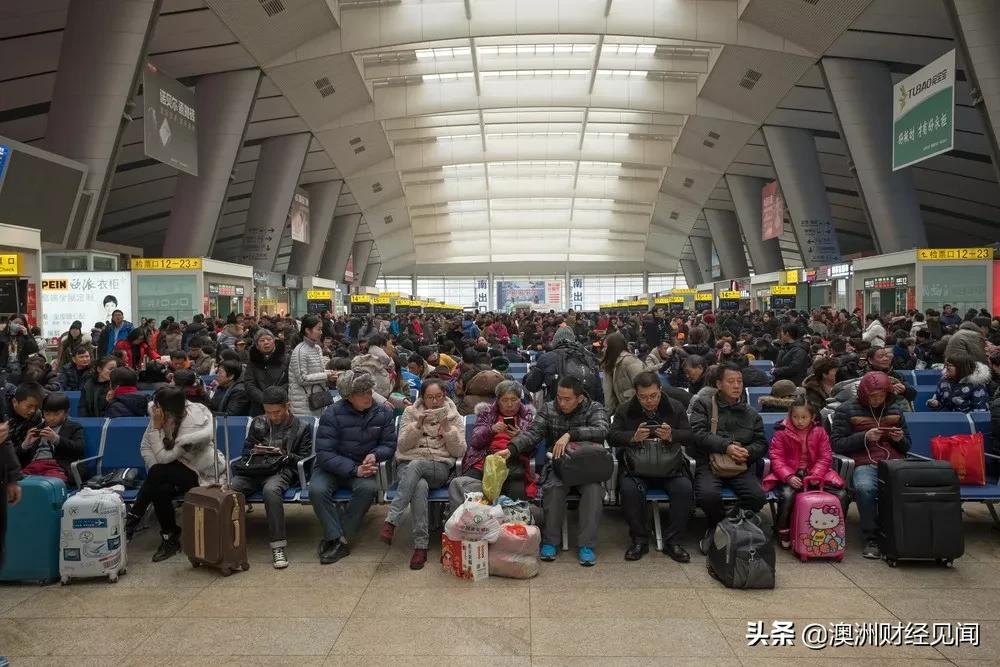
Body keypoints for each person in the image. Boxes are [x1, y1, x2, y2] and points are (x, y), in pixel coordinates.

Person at [507, 375, 609, 566]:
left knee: (593, 491)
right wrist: (511, 449)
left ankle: (586, 545)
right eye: (559, 397)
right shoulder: (549, 408)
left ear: (579, 398)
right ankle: (550, 541)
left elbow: (602, 430)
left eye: (567, 399)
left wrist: (570, 434)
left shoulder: (594, 408)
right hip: (558, 464)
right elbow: (533, 434)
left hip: (588, 466)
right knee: (554, 488)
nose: (561, 402)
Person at [126, 386, 222, 562]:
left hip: (200, 472)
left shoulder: (193, 425)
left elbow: (163, 457)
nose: (154, 409)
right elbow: (146, 447)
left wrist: (156, 428)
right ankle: (169, 538)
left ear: (167, 409)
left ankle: (132, 521)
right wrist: (158, 470)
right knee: (159, 486)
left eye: (158, 406)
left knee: (157, 474)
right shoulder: (160, 414)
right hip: (170, 470)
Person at [309, 371, 396, 564]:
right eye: (361, 393)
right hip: (331, 467)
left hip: (362, 466)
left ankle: (339, 539)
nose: (368, 397)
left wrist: (375, 454)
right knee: (317, 489)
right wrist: (354, 469)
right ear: (348, 396)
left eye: (369, 391)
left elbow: (389, 444)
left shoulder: (383, 412)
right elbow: (324, 453)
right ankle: (336, 538)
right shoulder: (332, 413)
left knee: (367, 489)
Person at [608, 372, 695, 563]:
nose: (650, 401)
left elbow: (689, 435)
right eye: (644, 397)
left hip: (670, 465)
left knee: (684, 488)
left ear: (660, 390)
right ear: (636, 394)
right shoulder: (625, 409)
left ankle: (673, 541)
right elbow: (612, 436)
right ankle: (639, 540)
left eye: (654, 396)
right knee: (630, 490)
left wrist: (672, 435)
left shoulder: (675, 407)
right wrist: (632, 437)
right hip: (636, 466)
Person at [380, 379, 466, 570]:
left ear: (444, 396)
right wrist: (417, 426)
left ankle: (392, 520)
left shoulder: (453, 416)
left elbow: (460, 451)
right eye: (430, 397)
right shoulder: (410, 413)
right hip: (408, 465)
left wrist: (448, 430)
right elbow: (402, 446)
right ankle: (421, 546)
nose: (435, 402)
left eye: (438, 397)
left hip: (438, 466)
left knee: (418, 465)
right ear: (422, 397)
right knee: (419, 486)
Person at [229, 386, 312, 569]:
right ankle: (228, 542)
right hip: (255, 469)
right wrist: (255, 451)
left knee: (271, 491)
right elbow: (245, 452)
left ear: (287, 406)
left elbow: (304, 460)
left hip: (281, 470)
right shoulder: (258, 422)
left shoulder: (301, 427)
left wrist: (284, 455)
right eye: (268, 412)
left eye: (277, 412)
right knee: (232, 488)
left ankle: (278, 546)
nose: (273, 416)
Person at [688, 362, 767, 554]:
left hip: (739, 465)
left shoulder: (751, 413)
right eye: (731, 381)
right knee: (707, 495)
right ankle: (716, 527)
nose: (736, 385)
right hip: (710, 462)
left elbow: (761, 443)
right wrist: (726, 447)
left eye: (739, 381)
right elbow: (697, 434)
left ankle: (727, 526)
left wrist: (748, 452)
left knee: (757, 497)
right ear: (719, 384)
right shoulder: (704, 405)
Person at [831, 371, 911, 559]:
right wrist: (864, 437)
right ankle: (871, 536)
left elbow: (907, 445)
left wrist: (899, 439)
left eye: (881, 396)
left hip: (894, 461)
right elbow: (836, 444)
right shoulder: (846, 410)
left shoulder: (895, 409)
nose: (877, 400)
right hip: (864, 460)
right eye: (873, 396)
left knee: (909, 488)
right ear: (864, 394)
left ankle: (901, 533)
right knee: (864, 488)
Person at [762, 397, 846, 549]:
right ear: (790, 415)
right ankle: (783, 529)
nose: (799, 421)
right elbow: (776, 458)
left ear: (812, 417)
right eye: (795, 417)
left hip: (816, 473)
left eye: (804, 417)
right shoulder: (782, 432)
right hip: (791, 473)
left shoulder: (820, 432)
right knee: (787, 495)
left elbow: (825, 456)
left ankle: (834, 530)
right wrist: (788, 476)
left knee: (841, 495)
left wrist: (816, 474)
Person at [449, 380, 537, 511]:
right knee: (470, 494)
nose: (509, 404)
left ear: (520, 400)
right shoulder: (487, 413)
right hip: (483, 461)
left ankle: (512, 527)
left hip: (513, 462)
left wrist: (519, 437)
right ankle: (472, 525)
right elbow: (475, 442)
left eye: (514, 399)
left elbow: (533, 447)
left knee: (517, 499)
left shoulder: (527, 417)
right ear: (498, 400)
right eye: (504, 400)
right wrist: (491, 430)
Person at [14, 391, 84, 484]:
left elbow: (79, 449)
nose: (51, 418)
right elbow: (17, 458)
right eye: (47, 414)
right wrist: (25, 445)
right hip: (33, 466)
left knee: (49, 485)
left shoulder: (74, 427)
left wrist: (56, 439)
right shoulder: (37, 428)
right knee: (16, 483)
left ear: (67, 413)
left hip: (56, 467)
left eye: (56, 414)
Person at [523, 326, 603, 403]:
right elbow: (598, 392)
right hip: (586, 409)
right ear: (573, 340)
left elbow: (532, 386)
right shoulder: (588, 357)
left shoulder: (546, 358)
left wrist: (533, 371)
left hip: (557, 408)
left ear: (555, 341)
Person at [288, 314, 337, 418]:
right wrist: (325, 376)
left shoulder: (317, 348)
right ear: (307, 330)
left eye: (321, 329)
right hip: (303, 405)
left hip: (318, 400)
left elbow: (319, 372)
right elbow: (302, 378)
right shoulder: (300, 351)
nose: (321, 332)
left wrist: (330, 374)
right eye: (318, 329)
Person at [243, 328, 289, 416]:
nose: (266, 342)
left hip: (281, 404)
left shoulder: (286, 358)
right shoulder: (253, 361)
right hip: (259, 406)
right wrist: (264, 398)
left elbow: (290, 381)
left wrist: (276, 395)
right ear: (256, 345)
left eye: (269, 339)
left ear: (274, 341)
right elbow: (249, 383)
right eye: (262, 340)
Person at [927, 352, 991, 413]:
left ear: (962, 368)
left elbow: (980, 411)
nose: (946, 367)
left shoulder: (977, 385)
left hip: (965, 421)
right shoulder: (944, 381)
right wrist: (936, 404)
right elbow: (939, 401)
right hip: (944, 419)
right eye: (946, 365)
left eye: (950, 365)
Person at [601, 330, 646, 414]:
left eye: (605, 347)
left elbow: (644, 386)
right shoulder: (611, 364)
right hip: (622, 411)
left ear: (613, 347)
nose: (603, 350)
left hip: (634, 411)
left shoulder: (629, 361)